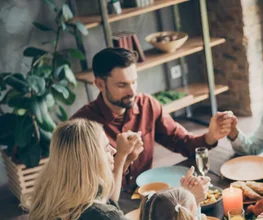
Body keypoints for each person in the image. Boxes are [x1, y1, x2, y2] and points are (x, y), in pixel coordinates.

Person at [71, 47, 233, 188]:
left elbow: (182, 143)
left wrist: (210, 136)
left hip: (148, 193)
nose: (132, 91)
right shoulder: (80, 126)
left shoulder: (147, 104)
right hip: (110, 204)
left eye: (134, 82)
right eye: (122, 85)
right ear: (99, 84)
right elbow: (88, 188)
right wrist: (123, 159)